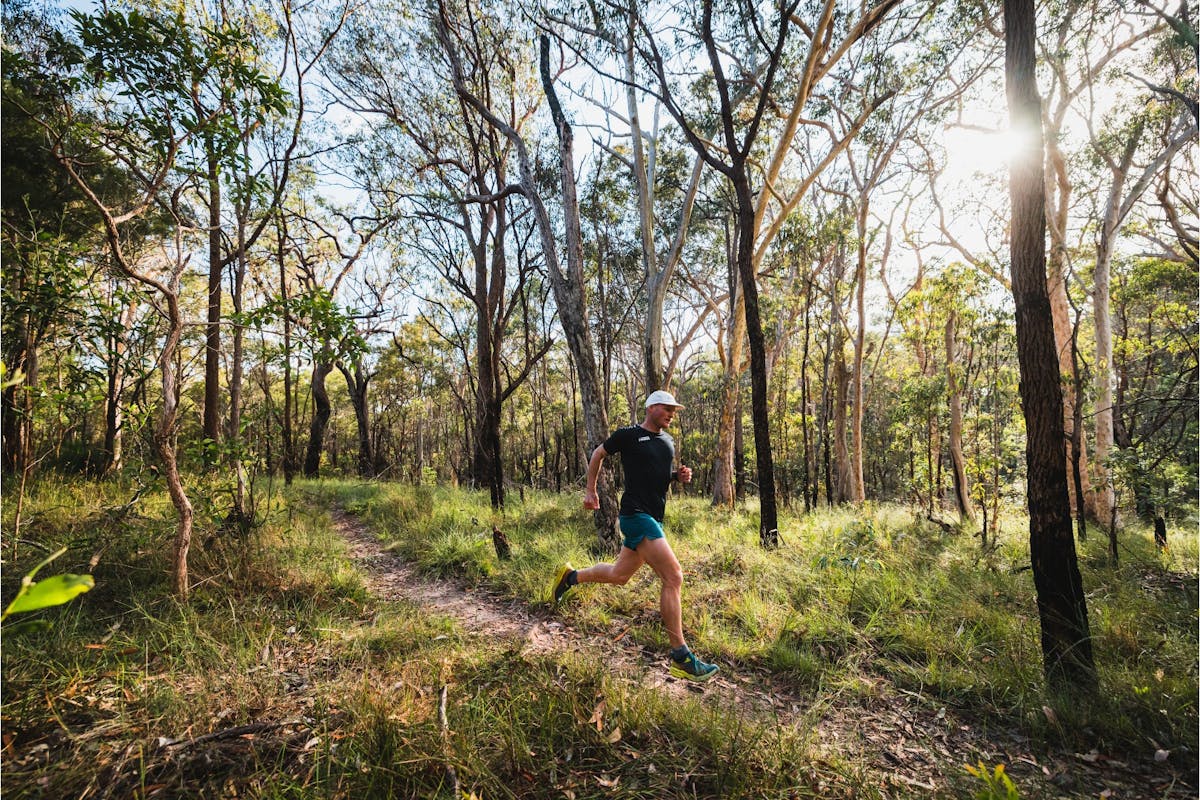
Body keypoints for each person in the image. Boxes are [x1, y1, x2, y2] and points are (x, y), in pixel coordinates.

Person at [549, 389, 719, 682]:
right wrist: (590, 489)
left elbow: (657, 475)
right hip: (635, 515)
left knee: (618, 575)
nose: (671, 414)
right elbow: (598, 453)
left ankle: (570, 577)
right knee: (674, 576)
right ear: (652, 407)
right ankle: (681, 656)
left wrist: (678, 477)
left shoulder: (668, 441)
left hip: (654, 516)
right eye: (667, 409)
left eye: (674, 411)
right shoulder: (628, 435)